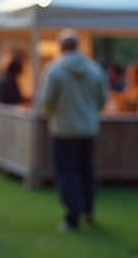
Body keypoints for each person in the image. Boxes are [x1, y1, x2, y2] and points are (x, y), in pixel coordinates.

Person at [37, 29, 108, 231]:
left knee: (67, 173)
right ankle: (88, 208)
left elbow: (46, 101)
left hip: (63, 130)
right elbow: (103, 100)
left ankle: (72, 216)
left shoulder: (54, 69)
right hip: (88, 129)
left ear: (61, 47)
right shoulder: (94, 69)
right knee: (87, 169)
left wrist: (57, 114)